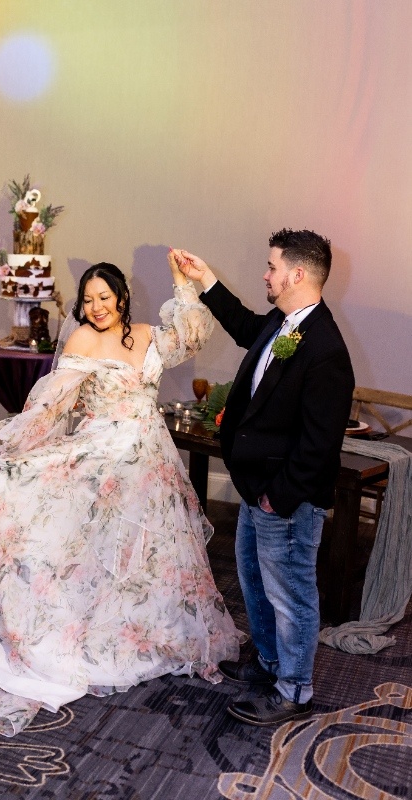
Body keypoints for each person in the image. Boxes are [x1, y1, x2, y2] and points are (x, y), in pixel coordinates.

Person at [0, 256, 244, 736]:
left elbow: (190, 336)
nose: (97, 306)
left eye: (105, 297)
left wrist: (182, 284)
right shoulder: (83, 339)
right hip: (102, 454)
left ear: (122, 298)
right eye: (88, 300)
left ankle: (146, 630)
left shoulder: (148, 334)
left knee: (151, 553)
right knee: (75, 537)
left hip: (150, 463)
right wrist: (14, 446)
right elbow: (53, 403)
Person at [172, 229, 354, 726]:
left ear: (297, 274)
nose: (266, 275)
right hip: (258, 489)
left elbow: (320, 445)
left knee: (291, 594)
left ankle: (295, 690)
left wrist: (278, 496)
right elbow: (244, 326)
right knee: (254, 580)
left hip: (285, 498)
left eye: (272, 267)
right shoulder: (284, 322)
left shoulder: (326, 350)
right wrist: (205, 279)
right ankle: (271, 663)